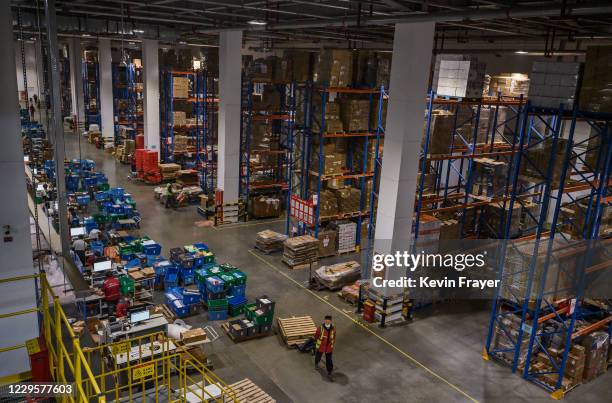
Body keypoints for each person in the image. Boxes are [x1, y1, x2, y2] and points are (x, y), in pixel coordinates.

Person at [314, 315, 336, 381]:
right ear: (324, 320)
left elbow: (334, 336)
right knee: (318, 356)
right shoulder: (320, 328)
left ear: (331, 321)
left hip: (329, 347)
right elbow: (316, 336)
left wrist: (332, 344)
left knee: (329, 360)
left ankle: (329, 371)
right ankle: (316, 362)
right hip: (321, 346)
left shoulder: (333, 328)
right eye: (326, 320)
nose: (327, 321)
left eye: (329, 320)